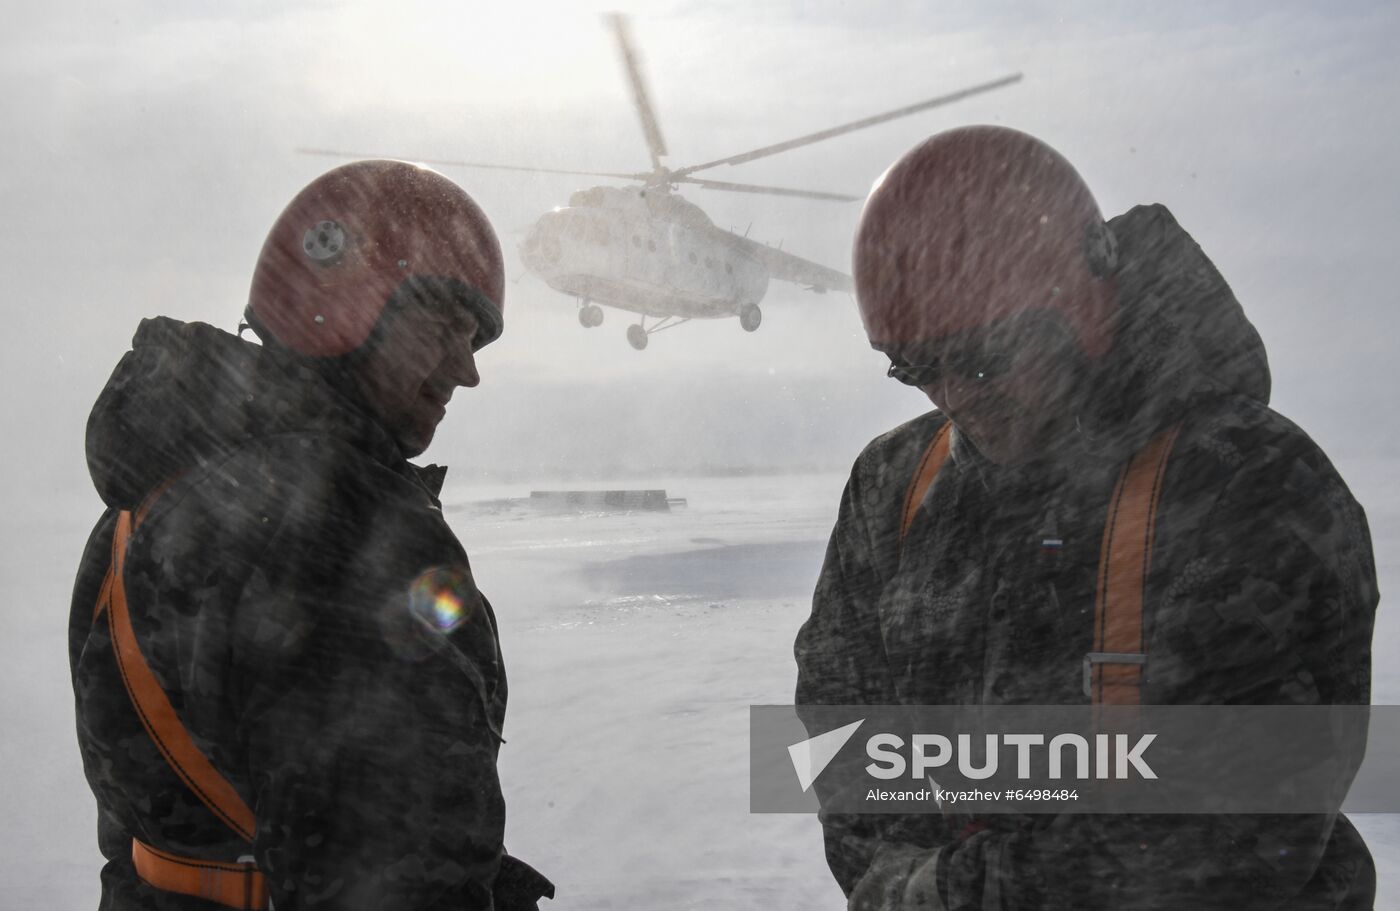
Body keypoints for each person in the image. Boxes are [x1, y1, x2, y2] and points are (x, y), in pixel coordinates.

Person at [794, 126, 1378, 909]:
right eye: (916, 368)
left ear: (1083, 306)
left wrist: (957, 891)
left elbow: (1249, 812)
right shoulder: (893, 486)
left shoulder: (1244, 480)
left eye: (981, 356)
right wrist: (895, 877)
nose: (954, 396)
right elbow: (840, 731)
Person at [70, 160, 554, 910]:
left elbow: (140, 823)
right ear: (347, 308)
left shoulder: (145, 503)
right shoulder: (352, 532)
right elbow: (394, 872)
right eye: (444, 330)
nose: (466, 372)